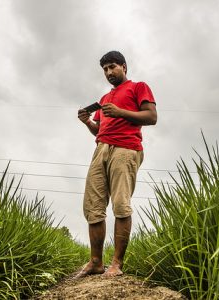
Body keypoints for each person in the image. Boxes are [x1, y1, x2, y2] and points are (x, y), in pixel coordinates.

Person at [76, 50, 157, 278]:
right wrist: (87, 122)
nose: (109, 72)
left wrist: (120, 111)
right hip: (101, 148)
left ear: (124, 67)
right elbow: (99, 130)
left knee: (121, 205)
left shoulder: (138, 87)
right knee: (93, 206)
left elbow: (151, 117)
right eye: (105, 69)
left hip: (126, 149)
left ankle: (116, 264)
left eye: (112, 66)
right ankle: (95, 262)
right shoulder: (104, 100)